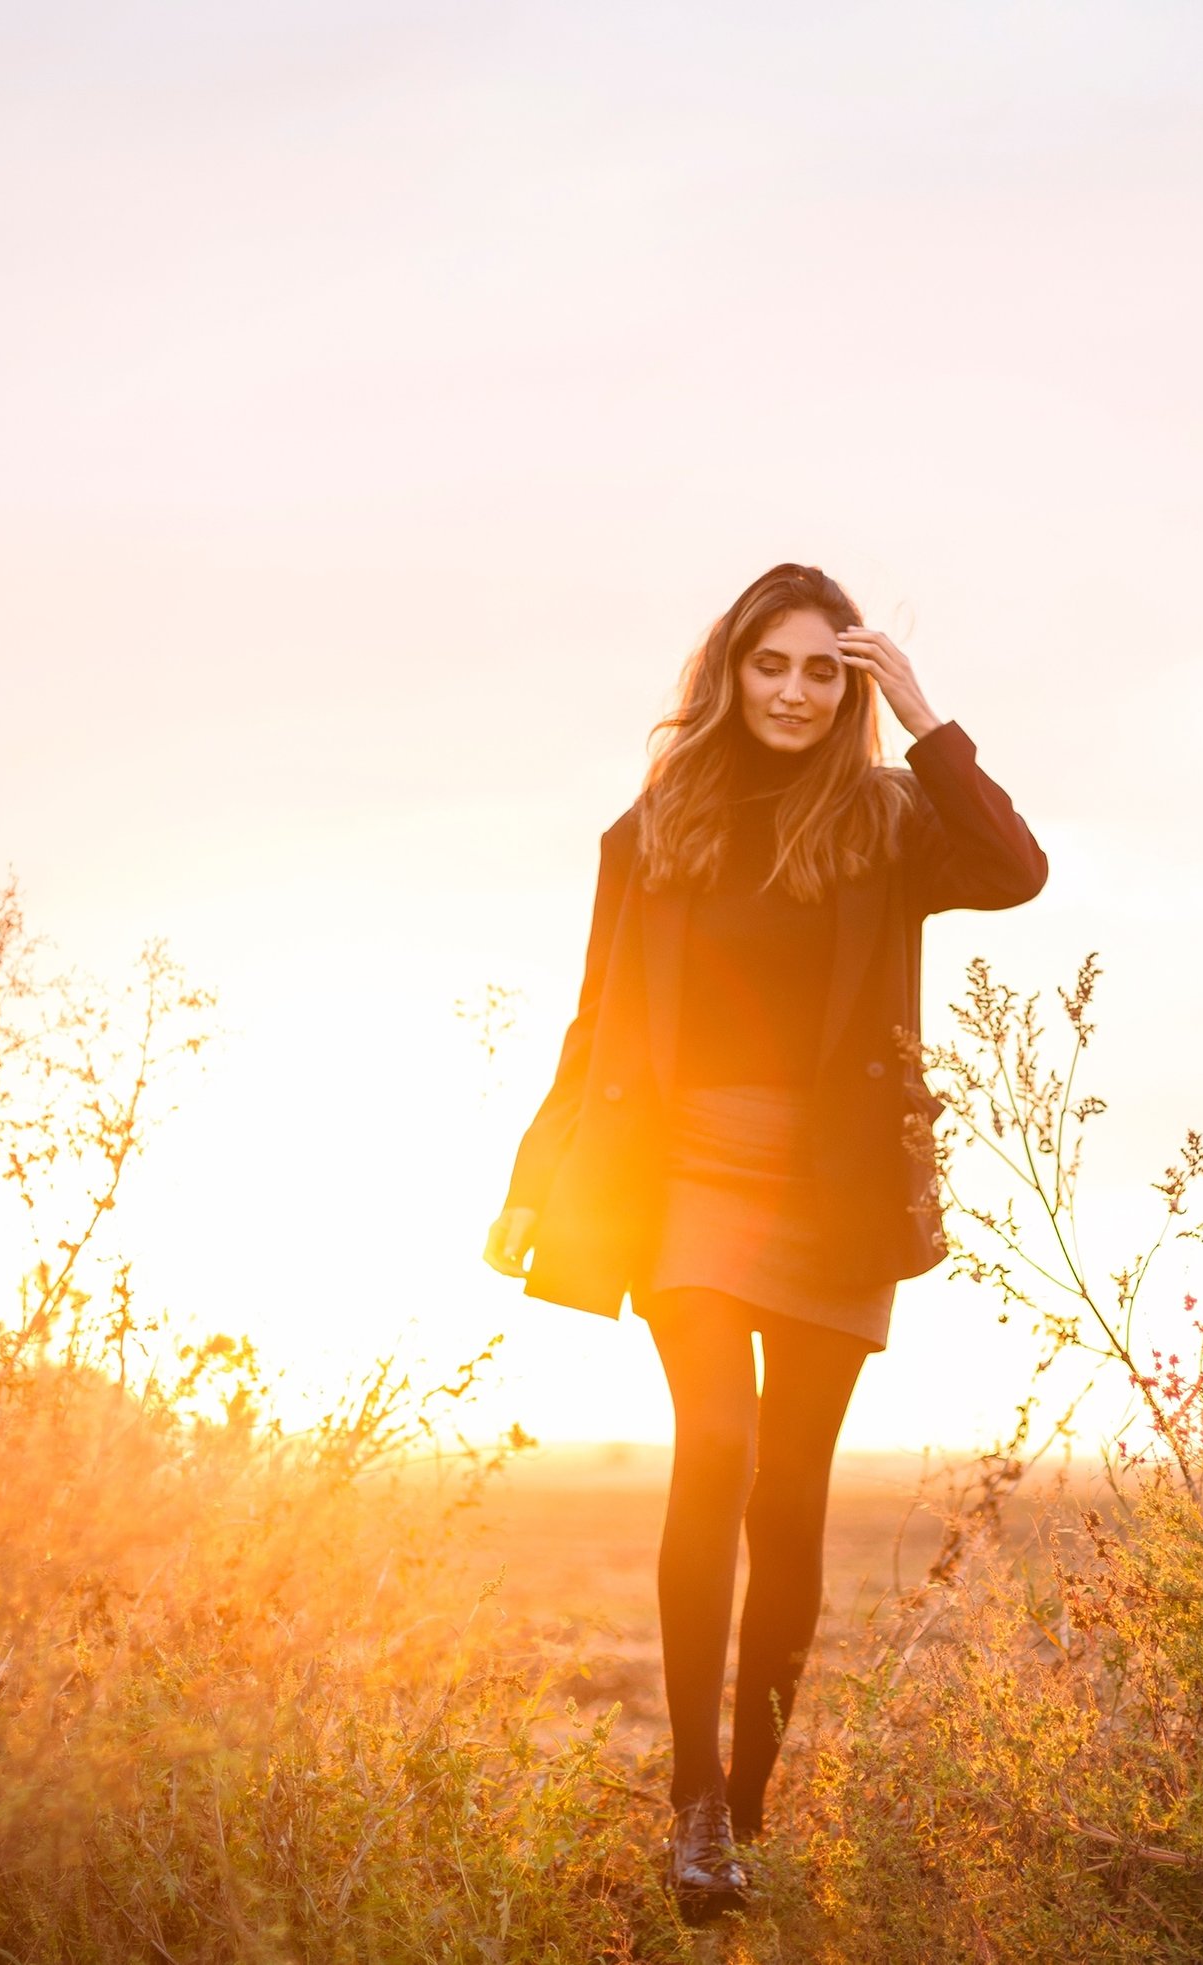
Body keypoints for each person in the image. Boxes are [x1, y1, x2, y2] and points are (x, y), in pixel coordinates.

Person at [481, 562, 1049, 1924]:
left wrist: (926, 717)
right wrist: (535, 1178)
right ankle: (691, 1802)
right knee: (719, 1448)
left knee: (789, 1497)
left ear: (850, 686)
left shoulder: (891, 818)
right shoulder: (654, 827)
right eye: (770, 664)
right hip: (686, 1176)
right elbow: (596, 1016)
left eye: (822, 670)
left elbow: (1017, 872)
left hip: (833, 1191)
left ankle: (746, 1815)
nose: (793, 692)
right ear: (729, 671)